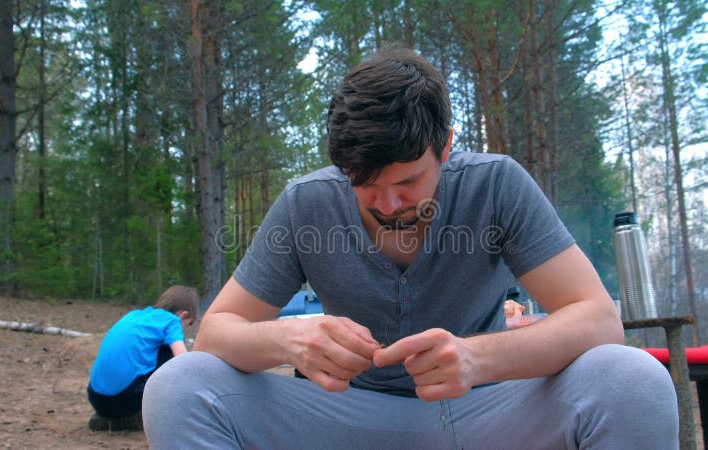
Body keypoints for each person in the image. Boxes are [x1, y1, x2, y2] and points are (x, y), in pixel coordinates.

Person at [143, 47, 678, 449]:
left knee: (632, 380)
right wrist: (291, 339)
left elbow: (597, 319)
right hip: (347, 418)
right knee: (180, 385)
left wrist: (474, 358)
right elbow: (215, 333)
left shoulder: (496, 186)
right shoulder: (307, 204)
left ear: (445, 145)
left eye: (408, 181)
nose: (388, 202)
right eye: (364, 183)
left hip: (486, 411)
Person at [87, 285, 198, 431]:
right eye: (187, 324)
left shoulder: (134, 315)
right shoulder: (172, 321)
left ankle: (113, 418)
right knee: (170, 356)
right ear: (183, 315)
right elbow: (184, 362)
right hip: (121, 400)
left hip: (96, 397)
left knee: (154, 352)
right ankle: (142, 419)